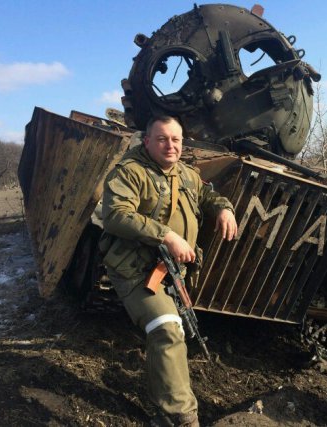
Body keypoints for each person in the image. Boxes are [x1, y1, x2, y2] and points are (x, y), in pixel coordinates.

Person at [100, 115, 238, 427]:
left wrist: (223, 207)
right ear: (146, 141)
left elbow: (207, 194)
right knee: (166, 328)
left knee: (175, 329)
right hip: (135, 269)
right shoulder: (130, 172)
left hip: (172, 271)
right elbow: (116, 216)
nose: (170, 145)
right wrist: (166, 234)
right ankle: (180, 415)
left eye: (176, 139)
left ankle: (165, 391)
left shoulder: (186, 173)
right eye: (162, 139)